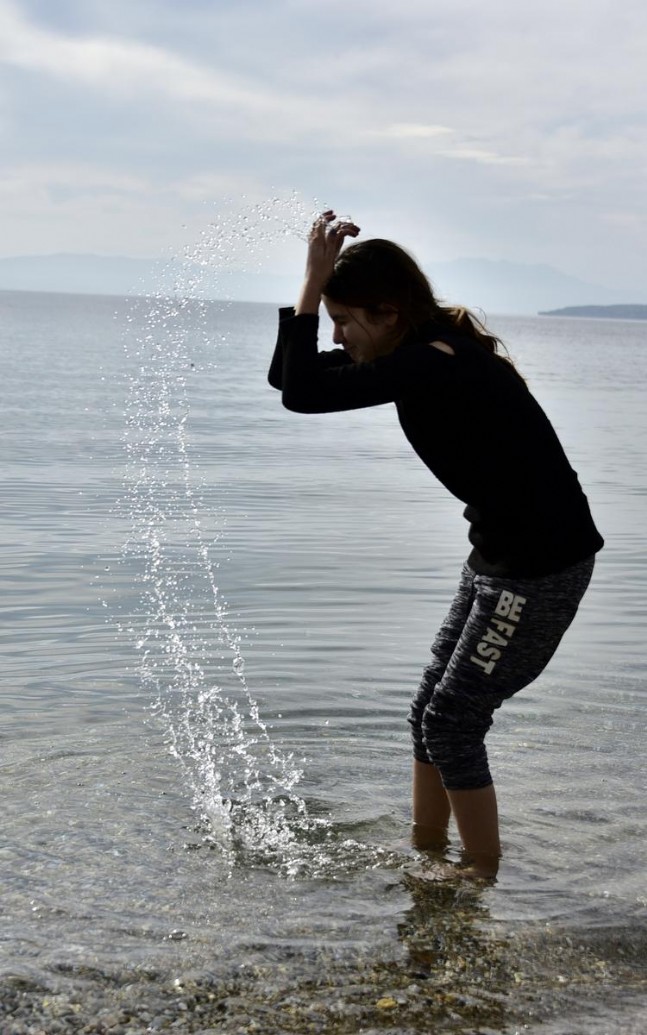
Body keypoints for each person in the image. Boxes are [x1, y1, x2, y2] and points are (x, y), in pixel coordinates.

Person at [268, 210, 604, 879]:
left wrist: (311, 281)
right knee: (429, 708)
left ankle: (479, 873)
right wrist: (315, 292)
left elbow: (301, 392)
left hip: (536, 569)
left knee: (453, 718)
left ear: (388, 312)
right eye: (330, 320)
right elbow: (291, 380)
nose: (336, 334)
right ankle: (426, 852)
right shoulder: (413, 353)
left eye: (344, 319)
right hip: (497, 558)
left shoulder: (433, 363)